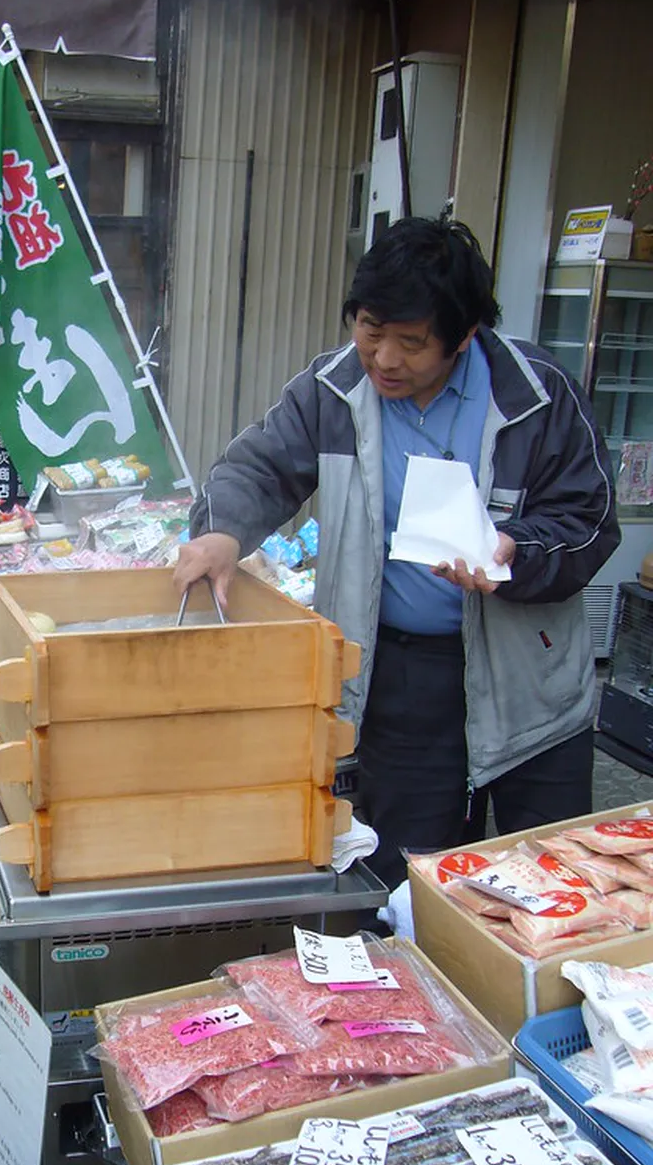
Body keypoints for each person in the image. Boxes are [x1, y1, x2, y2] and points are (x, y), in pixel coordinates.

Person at [174, 217, 620, 890]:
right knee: (402, 886)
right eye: (369, 329)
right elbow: (259, 468)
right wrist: (222, 532)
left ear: (465, 336)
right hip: (398, 678)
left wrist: (515, 551)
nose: (383, 358)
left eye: (410, 343)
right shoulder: (332, 390)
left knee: (556, 889)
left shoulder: (537, 394)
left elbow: (589, 519)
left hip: (533, 683)